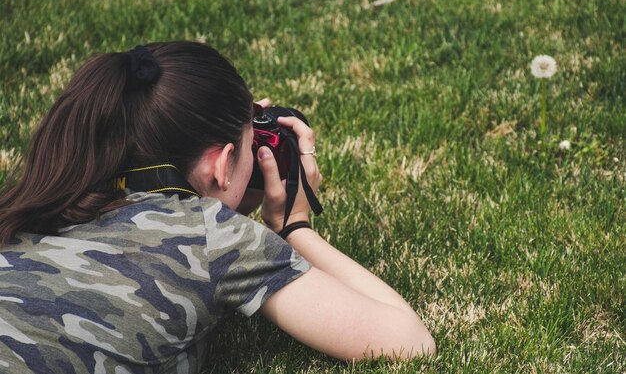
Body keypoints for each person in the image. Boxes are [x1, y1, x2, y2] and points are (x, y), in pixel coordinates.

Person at [0, 41, 435, 373]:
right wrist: (294, 227)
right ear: (223, 166)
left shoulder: (37, 200)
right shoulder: (213, 234)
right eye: (250, 149)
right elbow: (408, 344)